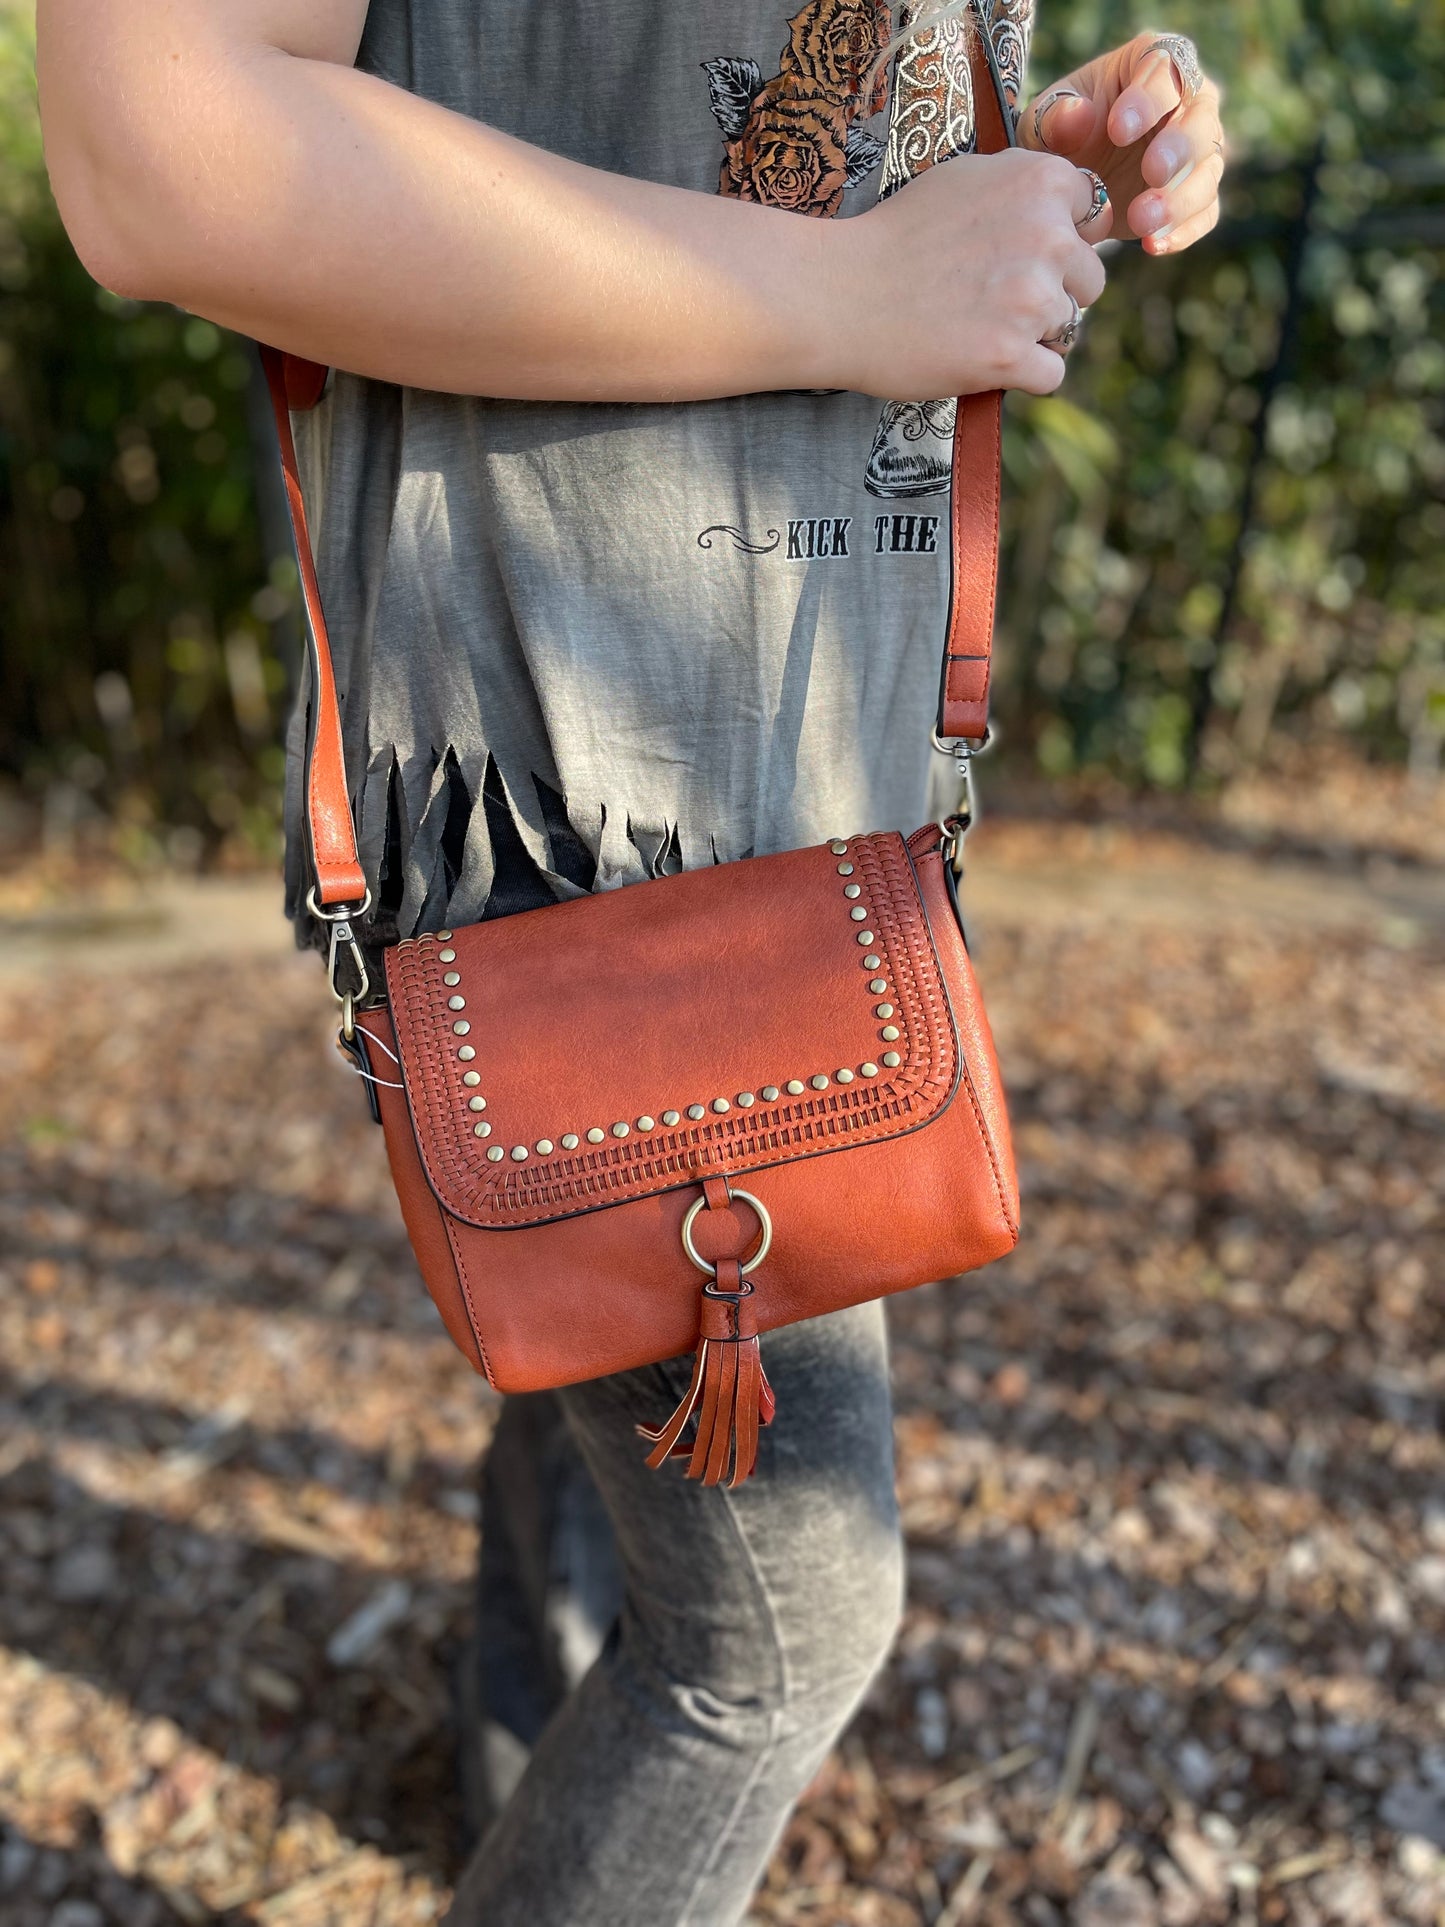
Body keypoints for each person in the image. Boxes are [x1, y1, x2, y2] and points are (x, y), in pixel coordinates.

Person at [36, 3, 1224, 1920]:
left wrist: (1002, 140)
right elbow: (149, 144)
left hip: (804, 766)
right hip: (586, 801)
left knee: (580, 1294)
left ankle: (512, 1743)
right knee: (769, 1641)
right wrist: (850, 288)